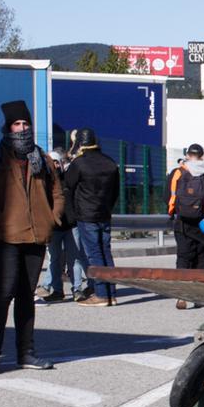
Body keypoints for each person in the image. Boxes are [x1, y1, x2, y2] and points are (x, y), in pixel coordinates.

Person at [0, 100, 64, 372]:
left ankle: (26, 353)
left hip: (35, 237)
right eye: (16, 124)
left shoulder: (41, 158)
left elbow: (57, 191)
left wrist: (53, 217)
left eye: (25, 124)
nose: (22, 129)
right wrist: (0, 220)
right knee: (3, 294)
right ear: (8, 127)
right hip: (5, 237)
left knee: (26, 295)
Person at [63, 129, 121, 305]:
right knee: (105, 252)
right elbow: (115, 192)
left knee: (94, 254)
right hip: (104, 213)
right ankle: (111, 293)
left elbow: (68, 186)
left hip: (86, 215)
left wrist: (72, 212)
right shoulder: (110, 162)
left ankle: (101, 294)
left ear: (80, 143)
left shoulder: (79, 164)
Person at [165, 144, 204, 308]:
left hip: (182, 222)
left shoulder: (177, 173)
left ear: (187, 155)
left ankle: (181, 295)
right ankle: (199, 295)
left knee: (183, 257)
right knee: (203, 257)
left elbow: (167, 197)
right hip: (203, 224)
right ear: (202, 156)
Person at [38, 147, 82, 303]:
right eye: (51, 162)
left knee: (74, 260)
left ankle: (77, 289)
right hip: (54, 227)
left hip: (71, 226)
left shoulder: (70, 179)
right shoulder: (43, 183)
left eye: (57, 162)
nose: (55, 165)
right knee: (55, 259)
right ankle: (57, 290)